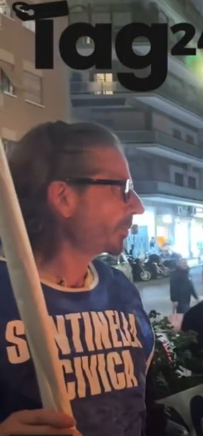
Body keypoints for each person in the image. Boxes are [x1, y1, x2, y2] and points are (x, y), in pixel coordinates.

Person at [0, 121, 153, 436]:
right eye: (123, 188)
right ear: (64, 196)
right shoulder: (5, 291)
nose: (137, 206)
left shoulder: (121, 291)